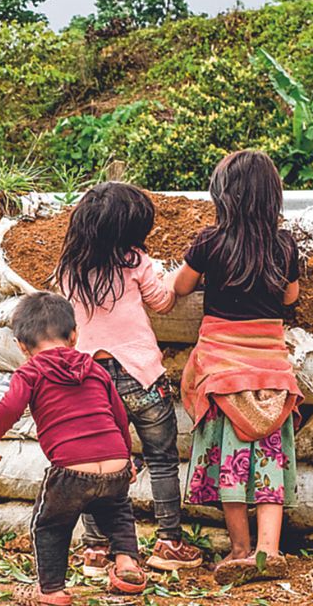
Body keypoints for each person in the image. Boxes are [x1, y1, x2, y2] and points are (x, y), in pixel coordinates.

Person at [167, 150, 304, 586]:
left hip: (223, 375)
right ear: (272, 198)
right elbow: (290, 298)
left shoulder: (209, 242)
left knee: (230, 465)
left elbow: (179, 286)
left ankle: (240, 550)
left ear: (223, 196)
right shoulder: (284, 246)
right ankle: (269, 550)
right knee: (268, 464)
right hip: (272, 378)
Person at [52, 182, 204, 574]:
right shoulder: (135, 261)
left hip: (88, 380)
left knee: (93, 462)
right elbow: (164, 302)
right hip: (141, 377)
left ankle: (95, 550)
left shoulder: (68, 268)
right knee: (162, 459)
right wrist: (170, 278)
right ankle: (169, 541)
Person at [0, 292, 148, 605]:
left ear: (21, 346)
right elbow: (119, 417)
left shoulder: (30, 372)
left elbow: (10, 406)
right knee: (118, 511)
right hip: (115, 464)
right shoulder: (96, 370)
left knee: (49, 526)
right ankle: (126, 563)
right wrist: (127, 460)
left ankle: (51, 591)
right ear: (73, 336)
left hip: (71, 470)